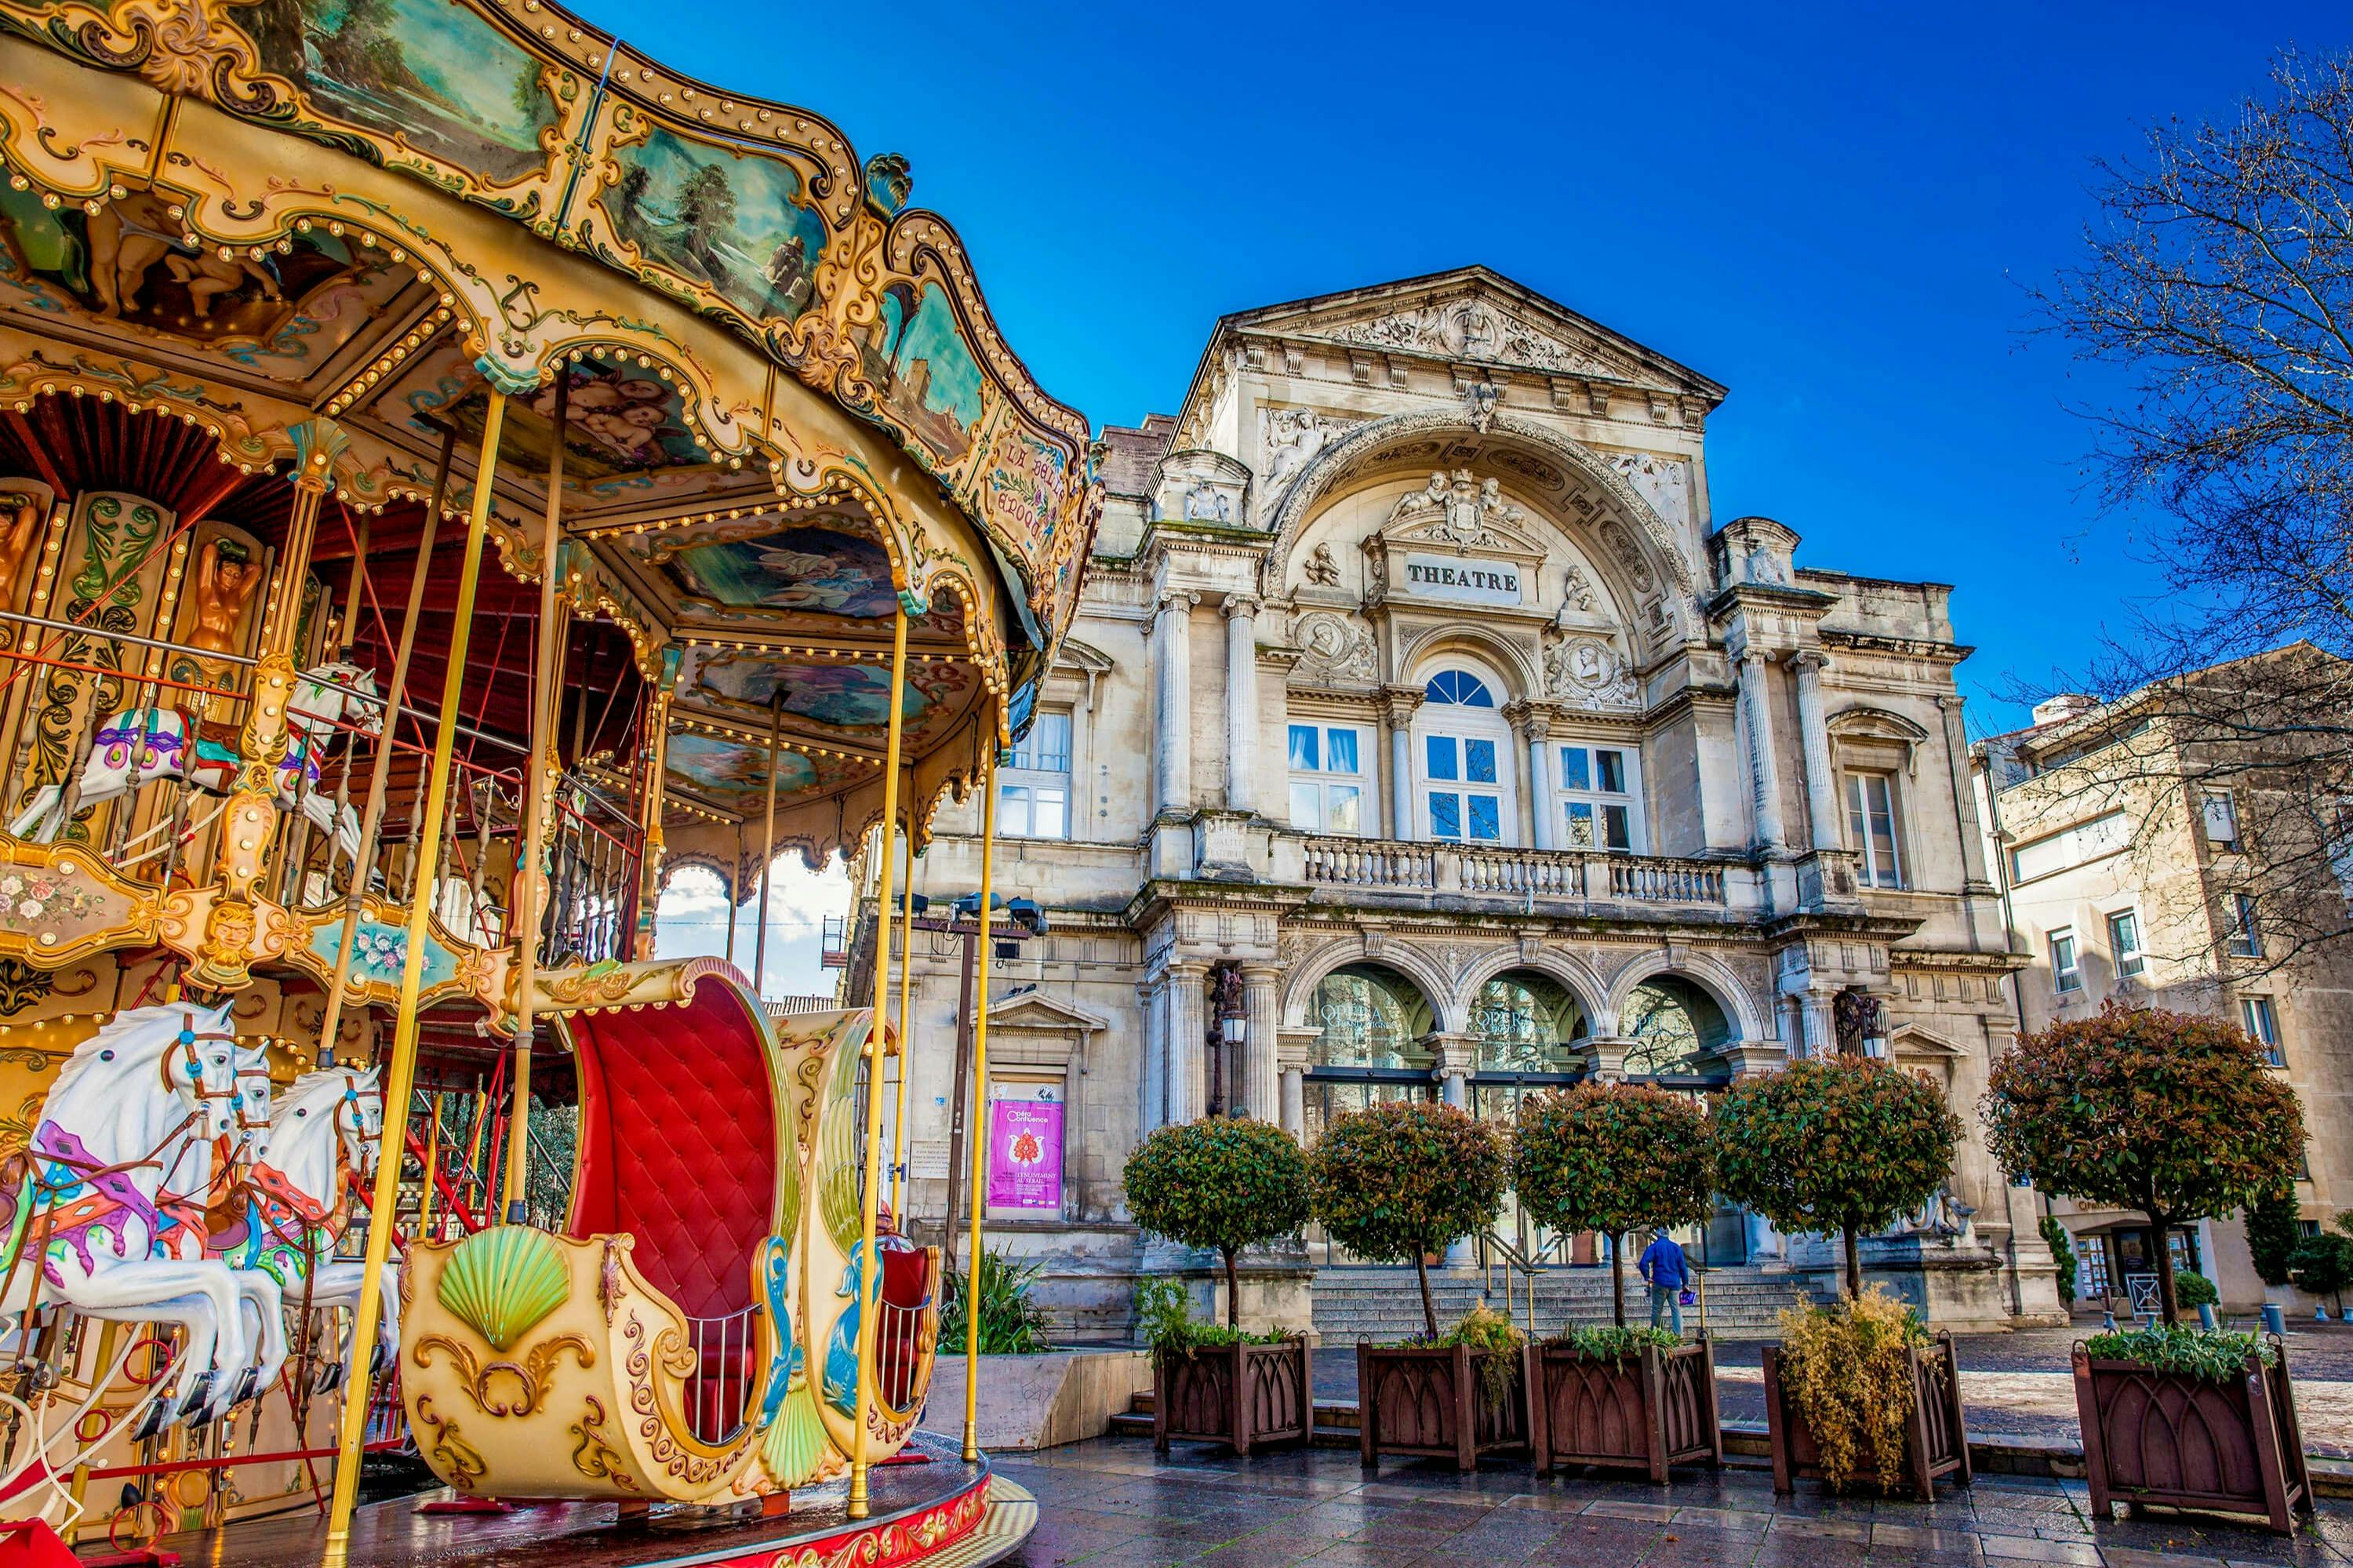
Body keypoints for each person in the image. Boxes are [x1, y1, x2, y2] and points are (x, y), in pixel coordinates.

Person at [1637, 1226, 1689, 1335]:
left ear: (1658, 1233)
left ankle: (1655, 1334)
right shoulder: (1676, 1248)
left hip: (1659, 1282)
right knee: (1676, 1309)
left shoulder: (1655, 1247)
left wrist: (1647, 1276)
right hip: (1675, 1283)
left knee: (1657, 1310)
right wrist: (1685, 1283)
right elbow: (1683, 1267)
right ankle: (1678, 1334)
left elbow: (1643, 1263)